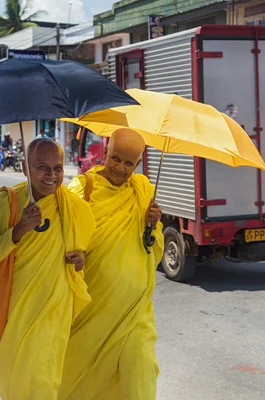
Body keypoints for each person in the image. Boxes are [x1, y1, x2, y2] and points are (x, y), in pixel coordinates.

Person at [0, 138, 96, 399]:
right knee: (13, 379)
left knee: (44, 382)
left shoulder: (74, 207)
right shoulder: (8, 201)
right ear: (25, 167)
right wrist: (18, 230)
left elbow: (80, 255)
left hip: (55, 311)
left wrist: (79, 262)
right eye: (42, 167)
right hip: (18, 309)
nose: (52, 175)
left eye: (58, 168)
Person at [59, 128, 164, 400]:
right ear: (105, 153)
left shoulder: (143, 192)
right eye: (116, 158)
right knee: (82, 383)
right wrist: (76, 255)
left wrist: (152, 225)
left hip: (135, 312)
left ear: (137, 164)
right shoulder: (82, 189)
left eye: (129, 163)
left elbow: (154, 250)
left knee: (140, 374)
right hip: (92, 310)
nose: (120, 167)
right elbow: (61, 240)